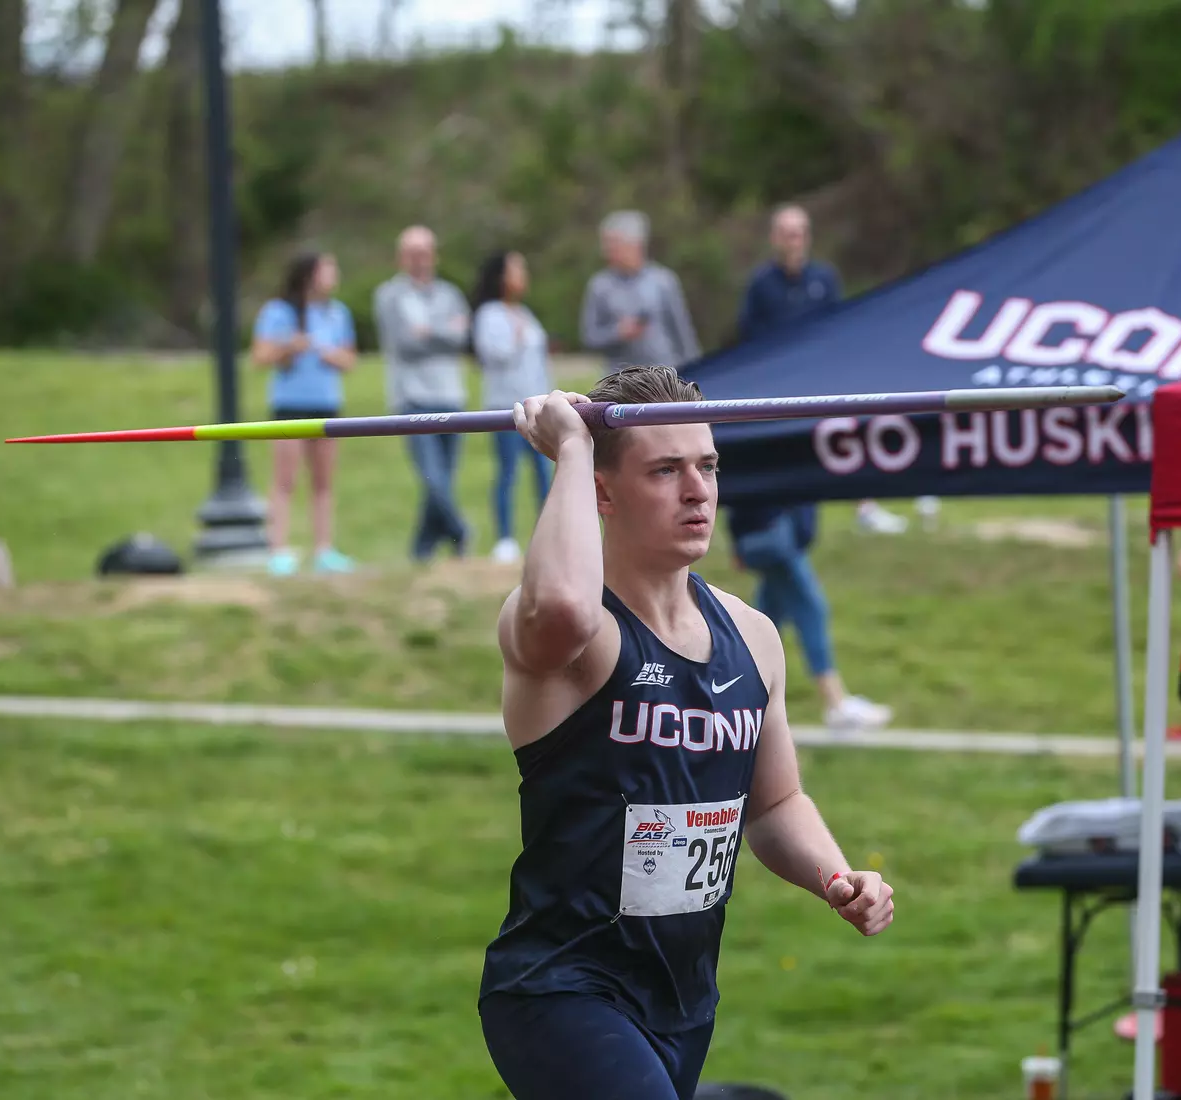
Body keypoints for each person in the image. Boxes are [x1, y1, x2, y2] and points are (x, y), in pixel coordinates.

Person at [478, 366, 896, 1100]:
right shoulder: (580, 633)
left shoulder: (753, 636)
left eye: (708, 465)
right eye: (665, 470)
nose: (698, 490)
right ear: (604, 493)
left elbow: (774, 804)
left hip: (682, 999)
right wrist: (570, 449)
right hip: (563, 989)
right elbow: (561, 608)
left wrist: (836, 877)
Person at [731, 204, 892, 730]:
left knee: (768, 613)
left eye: (799, 232)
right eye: (785, 232)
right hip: (765, 519)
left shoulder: (825, 282)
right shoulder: (761, 292)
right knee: (808, 603)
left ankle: (727, 694)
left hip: (794, 492)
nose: (793, 240)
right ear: (774, 238)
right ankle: (835, 702)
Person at [249, 249, 358, 576]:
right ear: (310, 274)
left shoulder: (338, 313)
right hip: (289, 406)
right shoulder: (278, 311)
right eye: (328, 269)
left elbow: (350, 360)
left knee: (323, 482)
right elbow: (260, 357)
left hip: (326, 405)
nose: (334, 275)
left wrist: (329, 355)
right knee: (285, 480)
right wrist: (289, 348)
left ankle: (324, 550)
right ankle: (278, 551)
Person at [374, 225, 474, 563]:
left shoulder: (450, 294)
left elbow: (462, 338)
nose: (419, 260)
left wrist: (428, 332)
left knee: (444, 477)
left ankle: (422, 550)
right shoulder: (390, 296)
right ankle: (460, 530)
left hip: (451, 394)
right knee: (433, 477)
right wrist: (443, 332)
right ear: (401, 257)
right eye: (412, 253)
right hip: (412, 396)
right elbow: (405, 343)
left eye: (425, 252)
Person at [470, 248, 554, 564]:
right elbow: (492, 356)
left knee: (544, 472)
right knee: (508, 472)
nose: (523, 275)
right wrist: (515, 339)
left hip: (539, 408)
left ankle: (549, 536)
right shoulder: (489, 315)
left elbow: (540, 363)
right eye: (517, 269)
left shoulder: (526, 314)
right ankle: (505, 540)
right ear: (502, 277)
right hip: (506, 408)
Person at [579, 210, 701, 375]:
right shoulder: (599, 286)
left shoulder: (663, 281)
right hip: (621, 379)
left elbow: (683, 333)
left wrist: (696, 370)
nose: (606, 251)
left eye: (614, 244)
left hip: (664, 376)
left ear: (636, 244)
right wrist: (618, 332)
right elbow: (589, 338)